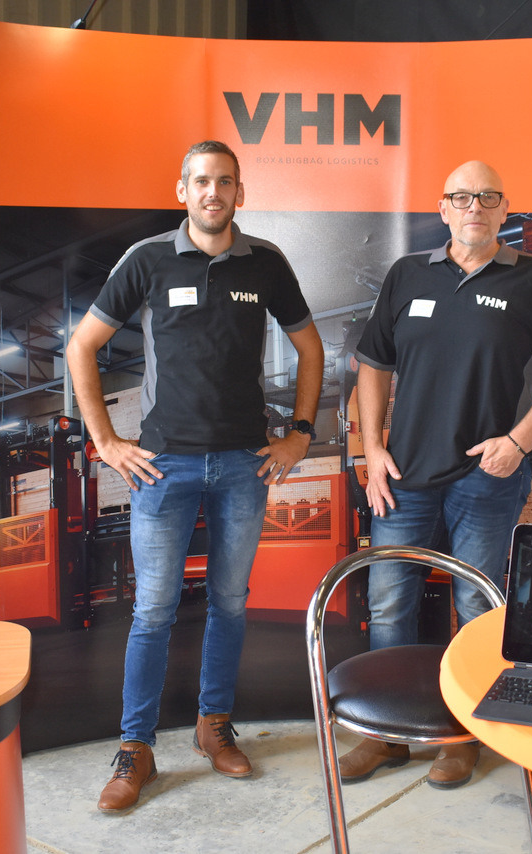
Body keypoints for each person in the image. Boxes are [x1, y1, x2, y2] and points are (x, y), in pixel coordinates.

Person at [66, 140, 324, 813]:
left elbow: (309, 345)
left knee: (230, 602)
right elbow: (82, 346)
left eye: (225, 182)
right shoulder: (147, 259)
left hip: (243, 463)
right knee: (152, 610)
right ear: (182, 190)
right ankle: (136, 747)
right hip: (163, 465)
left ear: (240, 192)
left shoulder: (265, 262)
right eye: (202, 181)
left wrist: (300, 433)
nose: (214, 193)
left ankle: (214, 727)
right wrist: (105, 442)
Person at [346, 160, 532, 788]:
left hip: (489, 475)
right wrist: (372, 448)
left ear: (504, 208)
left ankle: (463, 736)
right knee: (389, 598)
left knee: (477, 604)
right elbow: (372, 364)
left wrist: (518, 442)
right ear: (444, 208)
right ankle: (387, 734)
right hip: (404, 473)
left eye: (487, 197)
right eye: (461, 197)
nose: (474, 207)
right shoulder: (408, 275)